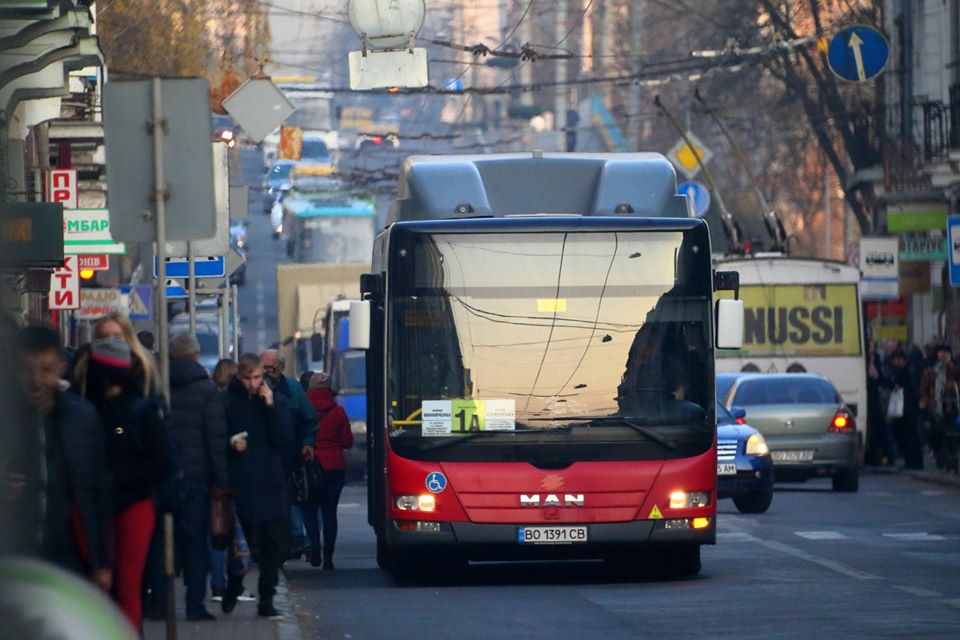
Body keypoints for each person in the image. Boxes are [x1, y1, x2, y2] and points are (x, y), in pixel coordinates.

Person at [3, 327, 113, 589]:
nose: (36, 379)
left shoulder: (82, 419)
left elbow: (98, 492)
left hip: (69, 555)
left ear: (61, 367)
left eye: (45, 369)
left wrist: (102, 563)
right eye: (27, 369)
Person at [83, 337, 175, 631]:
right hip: (105, 504)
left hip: (129, 502)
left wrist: (117, 476)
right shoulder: (89, 409)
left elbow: (163, 461)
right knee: (117, 584)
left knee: (125, 581)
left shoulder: (136, 410)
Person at [222, 353, 293, 619]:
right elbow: (218, 436)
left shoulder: (274, 400)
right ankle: (234, 585)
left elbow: (284, 439)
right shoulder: (229, 402)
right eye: (249, 378)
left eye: (258, 377)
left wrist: (271, 405)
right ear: (239, 377)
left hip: (270, 483)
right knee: (242, 545)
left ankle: (267, 600)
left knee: (271, 546)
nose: (254, 383)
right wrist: (231, 443)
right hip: (242, 483)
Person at [168, 333, 230, 621]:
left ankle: (158, 604)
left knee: (163, 542)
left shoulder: (159, 388)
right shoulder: (207, 391)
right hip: (198, 478)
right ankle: (195, 603)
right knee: (196, 544)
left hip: (165, 478)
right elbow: (216, 440)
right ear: (195, 356)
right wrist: (222, 481)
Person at [259, 350, 317, 560]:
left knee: (292, 499)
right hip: (262, 461)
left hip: (288, 458)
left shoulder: (292, 389)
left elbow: (310, 418)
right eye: (262, 368)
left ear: (281, 368)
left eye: (271, 369)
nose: (266, 374)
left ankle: (296, 540)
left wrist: (308, 443)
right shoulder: (252, 389)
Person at [306, 372, 353, 570]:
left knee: (309, 510)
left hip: (309, 465)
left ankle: (314, 545)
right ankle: (328, 558)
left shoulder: (303, 409)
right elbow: (347, 442)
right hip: (333, 467)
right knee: (329, 512)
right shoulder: (338, 412)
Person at [881, 349, 924, 469]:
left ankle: (913, 462)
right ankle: (911, 461)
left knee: (909, 436)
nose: (897, 362)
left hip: (908, 409)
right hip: (904, 409)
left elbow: (911, 390)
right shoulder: (901, 372)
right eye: (895, 360)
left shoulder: (907, 372)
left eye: (899, 360)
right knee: (905, 435)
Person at [920, 343, 959, 470]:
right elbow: (924, 388)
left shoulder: (953, 367)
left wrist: (950, 365)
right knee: (936, 436)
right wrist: (924, 401)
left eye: (946, 352)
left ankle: (951, 462)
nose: (943, 355)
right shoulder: (931, 370)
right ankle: (941, 460)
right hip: (935, 407)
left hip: (951, 406)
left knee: (951, 435)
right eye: (941, 352)